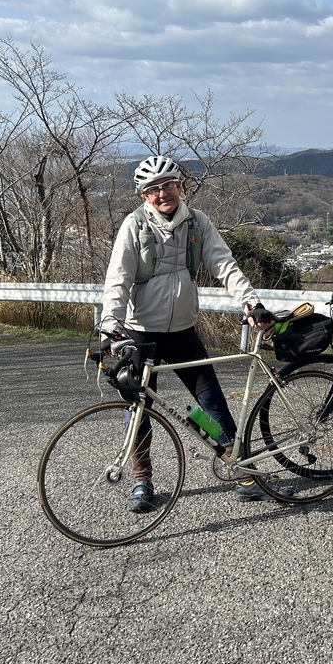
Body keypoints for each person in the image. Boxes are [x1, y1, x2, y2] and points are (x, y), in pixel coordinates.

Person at [99, 154, 278, 512]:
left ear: (181, 186)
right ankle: (141, 480)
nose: (162, 193)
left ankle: (242, 469)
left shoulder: (198, 222)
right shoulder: (133, 227)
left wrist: (251, 302)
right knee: (139, 409)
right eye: (153, 189)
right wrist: (110, 328)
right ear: (143, 196)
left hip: (183, 329)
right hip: (140, 332)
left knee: (212, 401)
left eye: (168, 185)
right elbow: (117, 280)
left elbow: (224, 264)